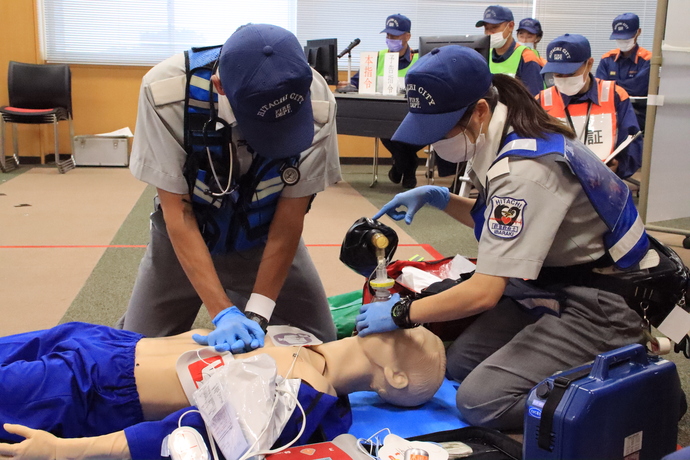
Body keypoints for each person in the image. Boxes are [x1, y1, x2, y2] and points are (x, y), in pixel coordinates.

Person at [355, 45, 651, 431]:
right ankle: (570, 353)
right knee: (460, 363)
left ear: (479, 110)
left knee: (480, 402)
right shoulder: (503, 131)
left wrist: (401, 313)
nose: (433, 142)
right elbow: (499, 220)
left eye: (440, 130)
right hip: (548, 283)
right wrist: (441, 199)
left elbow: (483, 292)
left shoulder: (525, 170)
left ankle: (627, 383)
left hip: (600, 303)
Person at [119, 24, 342, 353]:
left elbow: (290, 216)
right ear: (220, 86)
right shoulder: (166, 93)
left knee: (322, 345)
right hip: (186, 232)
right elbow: (177, 212)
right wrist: (222, 312)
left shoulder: (318, 100)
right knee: (135, 352)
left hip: (264, 234)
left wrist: (258, 314)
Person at [0, 322, 446, 460]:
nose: (411, 320)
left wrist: (65, 451)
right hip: (101, 342)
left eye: (418, 337)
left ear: (396, 377)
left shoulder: (309, 399)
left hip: (82, 390)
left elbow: (190, 437)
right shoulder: (305, 337)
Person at [536, 34, 643, 179]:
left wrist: (619, 167)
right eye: (557, 74)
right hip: (557, 183)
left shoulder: (615, 95)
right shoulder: (541, 101)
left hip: (604, 182)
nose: (564, 79)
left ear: (589, 64)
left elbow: (633, 146)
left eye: (571, 73)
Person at [351, 14, 424, 189]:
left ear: (407, 36)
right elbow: (356, 82)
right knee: (385, 127)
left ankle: (400, 167)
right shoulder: (377, 58)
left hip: (413, 116)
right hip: (384, 115)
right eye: (388, 36)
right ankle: (410, 165)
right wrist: (350, 86)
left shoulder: (419, 60)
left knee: (411, 133)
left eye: (395, 36)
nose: (390, 39)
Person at [596, 13, 651, 130]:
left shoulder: (647, 60)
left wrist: (611, 85)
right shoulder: (607, 59)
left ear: (638, 32)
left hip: (637, 116)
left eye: (627, 37)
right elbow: (599, 89)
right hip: (608, 113)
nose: (623, 41)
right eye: (619, 37)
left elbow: (638, 89)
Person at [476, 5, 544, 96]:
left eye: (494, 27)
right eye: (486, 28)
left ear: (511, 26)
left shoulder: (527, 57)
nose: (489, 33)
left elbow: (534, 100)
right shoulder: (484, 55)